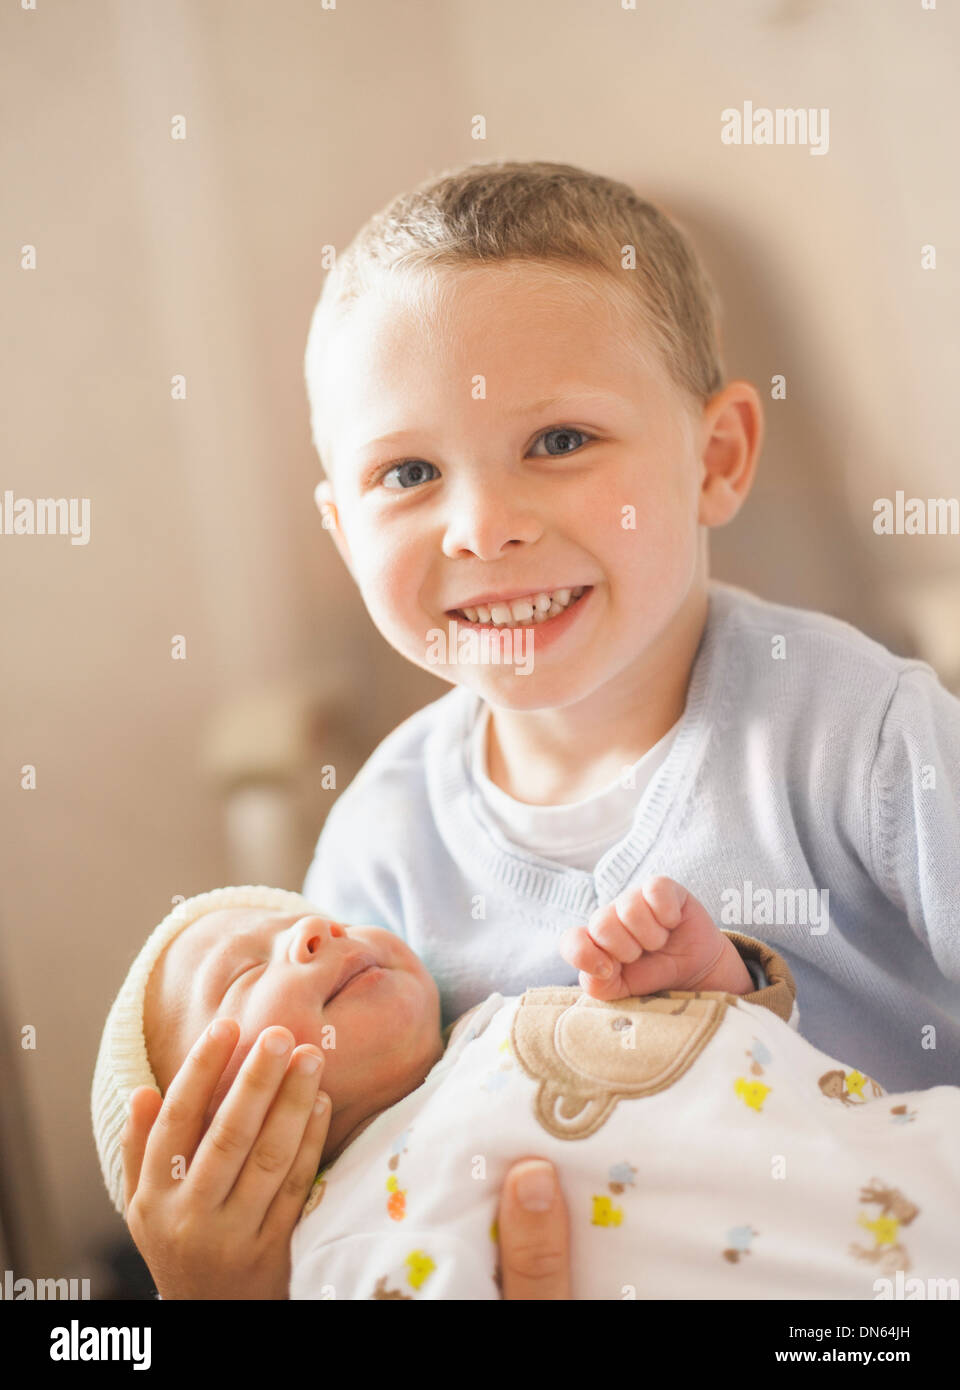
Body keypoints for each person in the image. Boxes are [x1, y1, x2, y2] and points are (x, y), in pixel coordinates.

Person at [123, 158, 960, 1298]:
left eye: (559, 442)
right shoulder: (379, 850)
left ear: (716, 457)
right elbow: (360, 1194)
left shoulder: (863, 739)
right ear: (341, 528)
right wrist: (221, 1282)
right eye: (408, 472)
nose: (483, 527)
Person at [98, 883, 960, 1300]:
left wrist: (713, 993)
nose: (317, 932)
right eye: (246, 971)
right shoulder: (342, 1240)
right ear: (212, 1149)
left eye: (309, 918)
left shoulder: (493, 1027)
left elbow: (745, 1090)